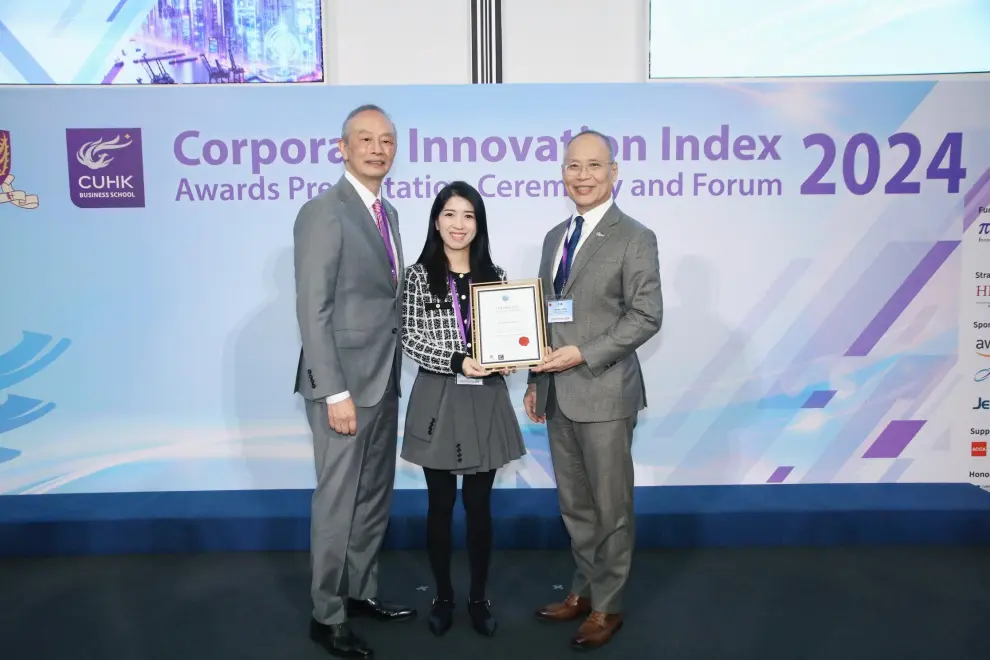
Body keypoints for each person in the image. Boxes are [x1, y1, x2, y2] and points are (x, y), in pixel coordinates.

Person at [524, 130, 663, 651]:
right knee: (576, 507)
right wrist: (538, 380)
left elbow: (647, 315)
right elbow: (544, 316)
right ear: (563, 171)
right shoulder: (555, 235)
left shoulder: (634, 236)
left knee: (610, 508)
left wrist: (583, 353)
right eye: (573, 166)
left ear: (614, 172)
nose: (582, 176)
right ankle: (583, 590)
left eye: (593, 166)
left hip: (604, 393)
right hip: (558, 394)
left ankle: (608, 606)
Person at [293, 103, 415, 659]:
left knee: (372, 499)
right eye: (364, 139)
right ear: (341, 148)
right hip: (343, 388)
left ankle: (360, 593)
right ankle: (327, 614)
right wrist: (333, 391)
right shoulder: (324, 212)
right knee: (338, 502)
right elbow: (312, 310)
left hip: (384, 379)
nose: (377, 148)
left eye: (386, 140)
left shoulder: (386, 214)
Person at [400, 181, 527, 638]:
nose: (459, 224)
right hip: (440, 396)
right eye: (450, 214)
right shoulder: (417, 276)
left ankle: (477, 597)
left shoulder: (496, 275)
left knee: (478, 505)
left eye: (469, 215)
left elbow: (512, 335)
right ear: (436, 220)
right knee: (440, 504)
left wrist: (510, 357)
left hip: (485, 397)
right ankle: (443, 596)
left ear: (479, 223)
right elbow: (411, 338)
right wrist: (457, 360)